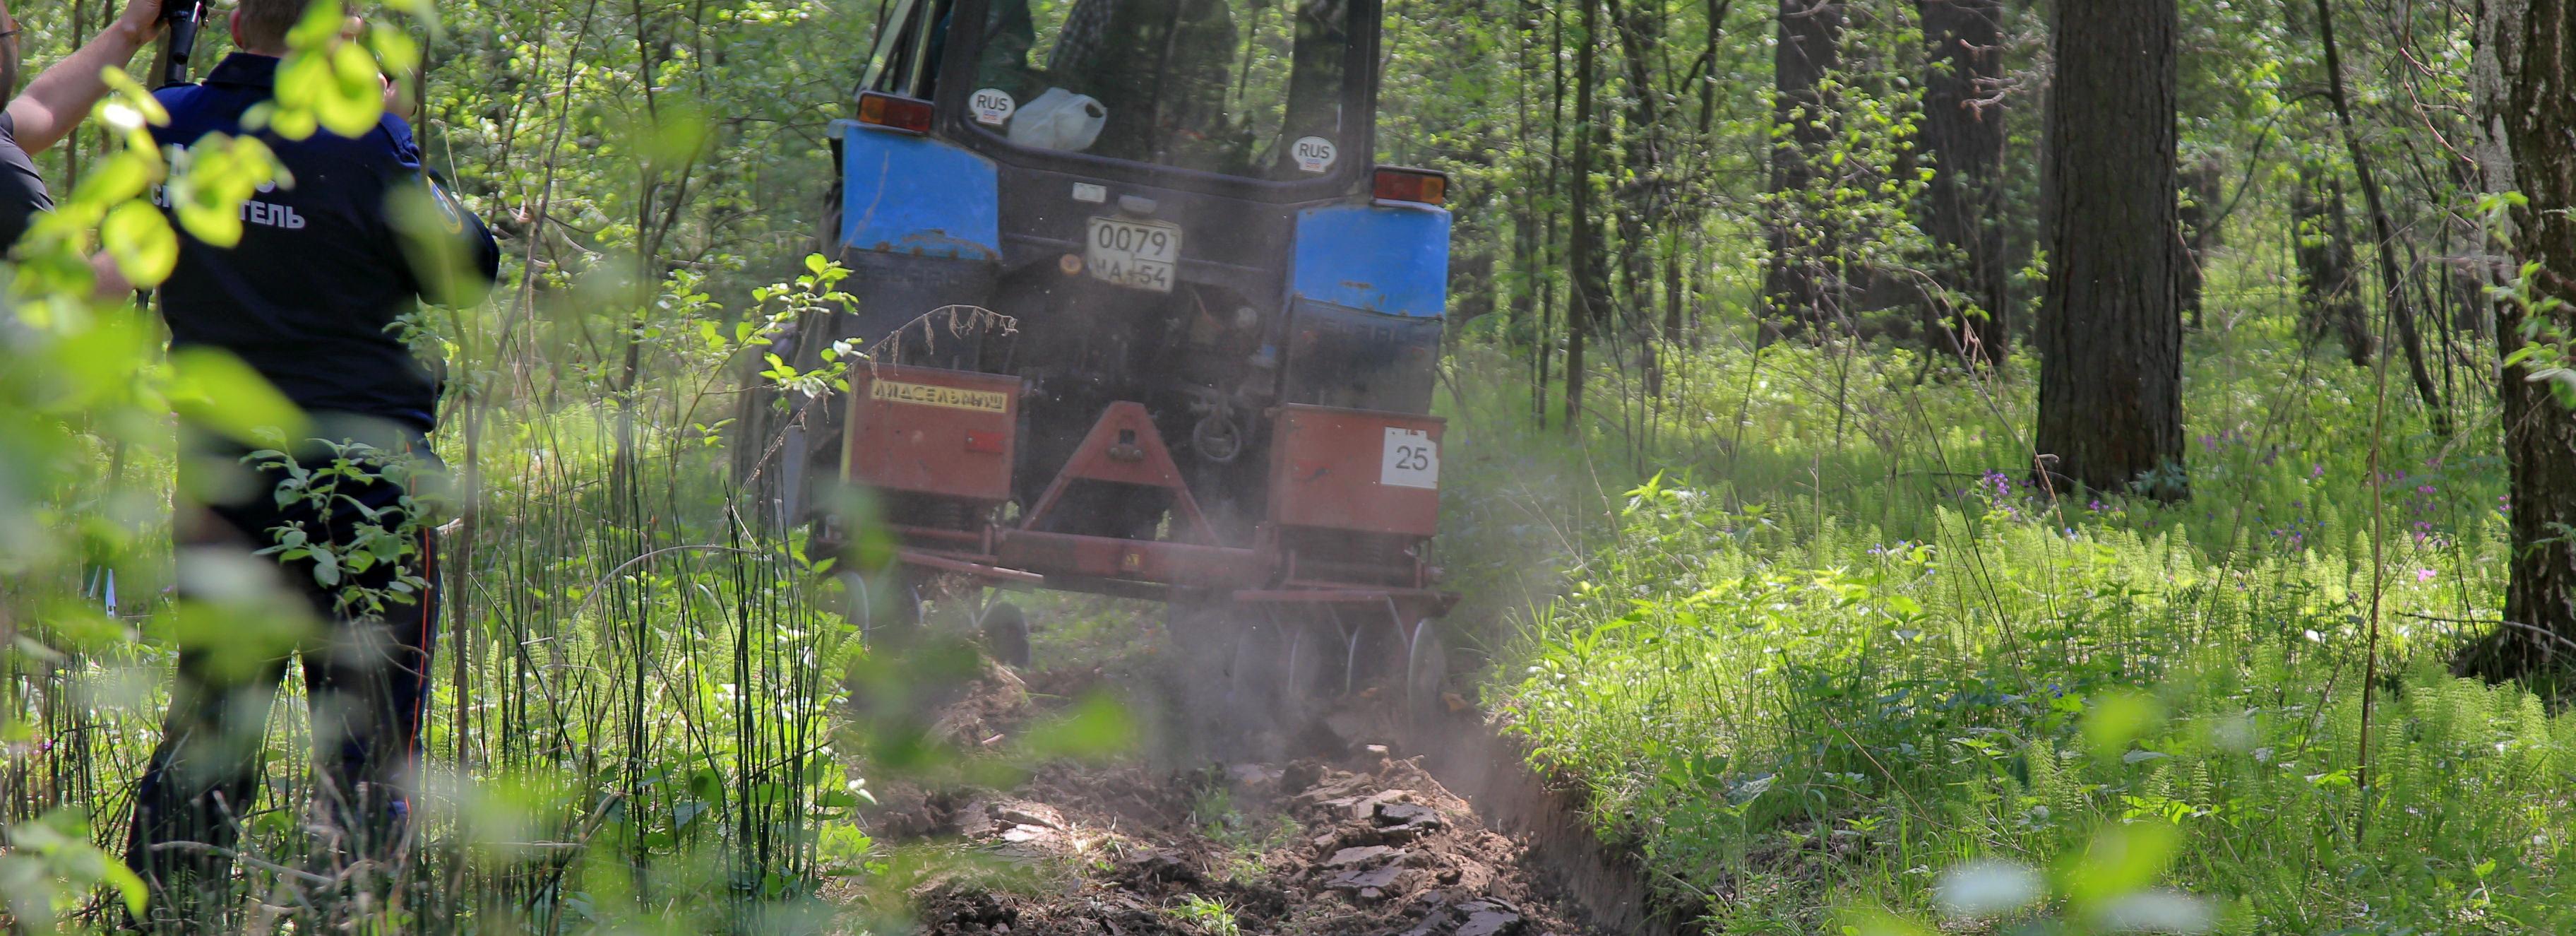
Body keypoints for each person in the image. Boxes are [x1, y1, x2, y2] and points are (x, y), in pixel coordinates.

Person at [119, 0, 499, 925]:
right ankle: (349, 913)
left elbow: (134, 255)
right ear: (343, 33)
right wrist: (392, 129)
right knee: (369, 742)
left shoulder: (167, 125)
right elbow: (470, 268)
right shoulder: (372, 145)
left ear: (239, 18)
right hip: (371, 489)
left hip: (221, 481)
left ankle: (167, 914)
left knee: (208, 727)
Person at [0, 0, 175, 249]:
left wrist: (131, 30)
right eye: (14, 32)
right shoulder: (5, 171)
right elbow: (83, 282)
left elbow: (42, 106)